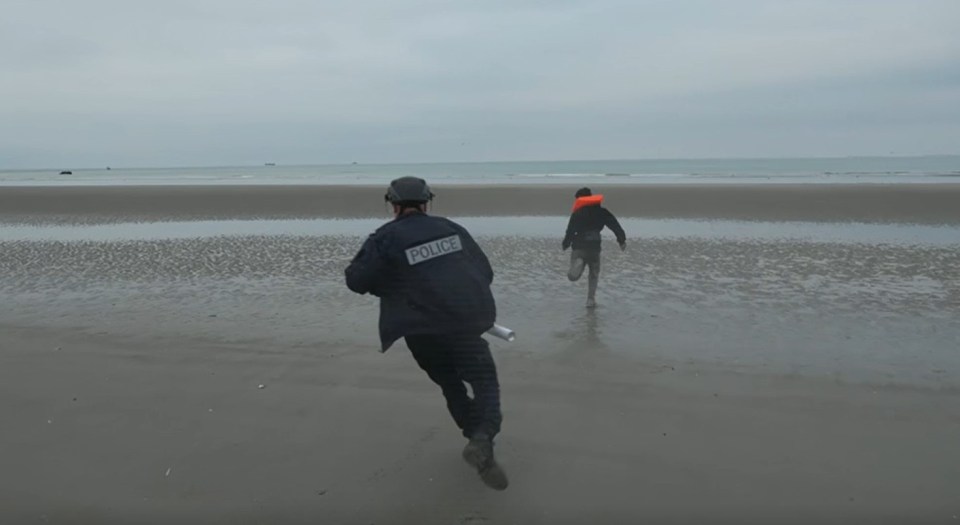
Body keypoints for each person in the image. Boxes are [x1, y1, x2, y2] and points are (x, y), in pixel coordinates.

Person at [344, 176, 508, 491]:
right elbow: (484, 272)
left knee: (451, 385)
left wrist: (392, 283)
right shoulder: (451, 229)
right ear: (427, 202)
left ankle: (478, 441)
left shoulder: (384, 238)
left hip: (421, 334)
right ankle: (482, 437)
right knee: (485, 382)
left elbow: (355, 280)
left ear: (392, 204)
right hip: (463, 326)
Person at [561, 187, 626, 308]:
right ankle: (590, 300)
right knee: (594, 274)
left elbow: (570, 231)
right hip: (595, 247)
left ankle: (578, 263)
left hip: (579, 247)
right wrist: (621, 240)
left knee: (573, 276)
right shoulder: (602, 212)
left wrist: (566, 243)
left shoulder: (577, 213)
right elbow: (614, 225)